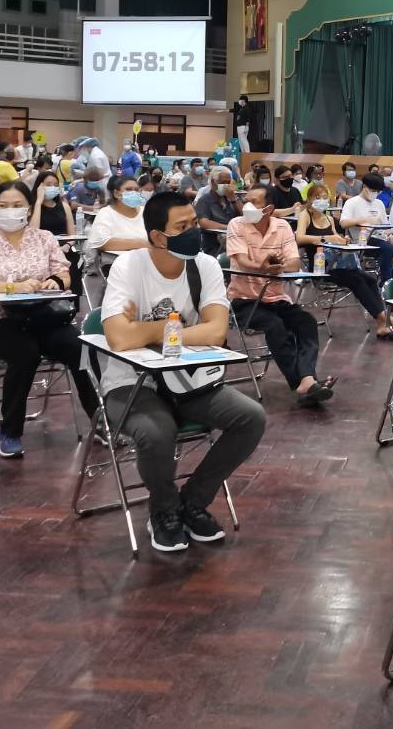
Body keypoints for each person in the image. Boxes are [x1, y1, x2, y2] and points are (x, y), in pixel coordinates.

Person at [100, 190, 267, 552]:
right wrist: (177, 330)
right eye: (182, 227)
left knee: (251, 417)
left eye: (193, 223)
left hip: (189, 381)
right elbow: (117, 337)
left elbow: (216, 331)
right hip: (132, 383)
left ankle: (192, 502)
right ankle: (163, 510)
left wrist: (146, 330)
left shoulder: (204, 265)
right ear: (158, 236)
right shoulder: (129, 266)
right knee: (156, 432)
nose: (193, 231)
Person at [0, 181, 98, 458]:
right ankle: (10, 431)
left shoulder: (44, 238)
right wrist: (12, 287)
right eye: (3, 205)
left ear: (28, 208)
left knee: (78, 347)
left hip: (43, 316)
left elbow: (64, 274)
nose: (10, 210)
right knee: (25, 352)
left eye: (17, 205)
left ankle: (100, 422)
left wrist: (53, 281)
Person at [227, 186, 334, 407]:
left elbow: (294, 262)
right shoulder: (236, 224)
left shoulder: (282, 226)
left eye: (254, 202)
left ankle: (307, 379)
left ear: (269, 208)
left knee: (306, 322)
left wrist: (278, 265)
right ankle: (303, 382)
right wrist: (262, 266)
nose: (247, 206)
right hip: (245, 300)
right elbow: (242, 261)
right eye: (246, 201)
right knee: (275, 326)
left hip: (276, 298)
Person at [296, 183, 393, 339]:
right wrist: (325, 238)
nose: (322, 200)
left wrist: (342, 240)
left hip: (338, 263)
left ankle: (381, 322)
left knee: (369, 279)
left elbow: (336, 238)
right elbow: (299, 238)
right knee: (356, 280)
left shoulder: (329, 218)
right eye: (317, 197)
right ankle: (384, 319)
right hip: (321, 267)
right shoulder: (305, 215)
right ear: (310, 199)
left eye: (324, 197)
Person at [340, 172, 393, 282]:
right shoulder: (352, 202)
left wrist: (390, 234)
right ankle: (385, 282)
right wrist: (363, 219)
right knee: (387, 248)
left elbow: (385, 226)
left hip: (381, 237)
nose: (375, 193)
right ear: (364, 187)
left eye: (377, 191)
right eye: (373, 190)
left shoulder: (379, 203)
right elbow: (343, 223)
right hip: (362, 240)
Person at [87, 175, 151, 273]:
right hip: (116, 266)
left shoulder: (146, 212)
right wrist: (141, 243)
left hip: (149, 264)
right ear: (117, 193)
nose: (134, 193)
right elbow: (102, 242)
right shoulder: (106, 213)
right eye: (128, 189)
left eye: (136, 190)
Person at [193, 164, 240, 254]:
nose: (226, 185)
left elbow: (245, 217)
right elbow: (204, 222)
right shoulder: (204, 200)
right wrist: (229, 227)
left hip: (235, 241)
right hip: (215, 245)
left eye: (228, 182)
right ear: (213, 182)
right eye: (222, 182)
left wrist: (234, 199)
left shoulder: (231, 197)